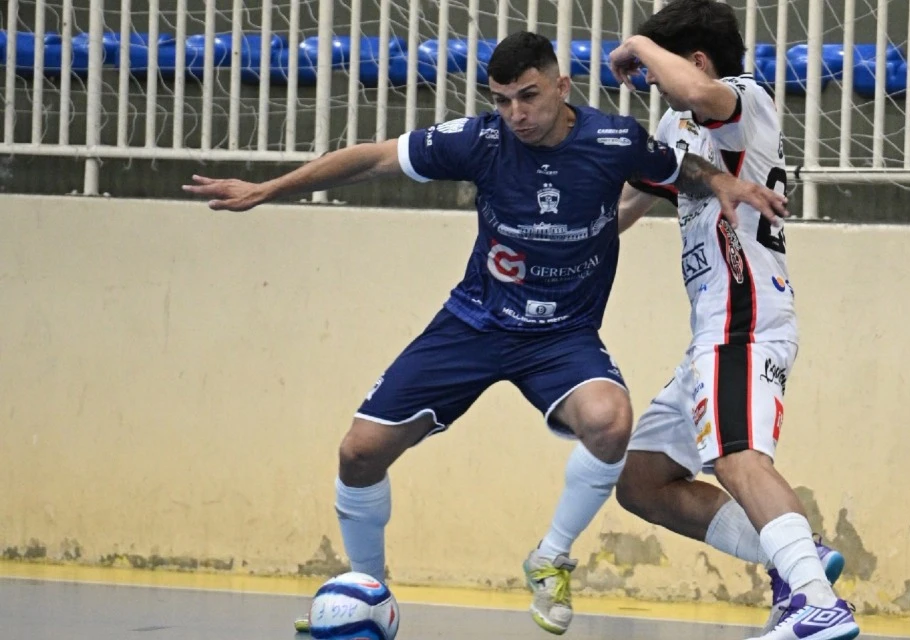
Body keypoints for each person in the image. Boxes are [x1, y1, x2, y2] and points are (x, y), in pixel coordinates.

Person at [182, 31, 788, 637]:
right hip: (475, 322)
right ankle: (368, 590)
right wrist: (268, 189)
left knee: (610, 421)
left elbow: (678, 167)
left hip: (562, 336)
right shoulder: (481, 140)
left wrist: (719, 182)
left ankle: (550, 557)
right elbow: (372, 158)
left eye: (528, 96)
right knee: (358, 453)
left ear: (561, 86)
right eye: (501, 100)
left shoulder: (612, 139)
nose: (515, 113)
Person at [607, 2, 860, 639]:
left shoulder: (743, 100)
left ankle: (816, 602)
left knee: (738, 458)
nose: (655, 86)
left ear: (695, 61)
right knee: (642, 479)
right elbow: (629, 203)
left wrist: (636, 42)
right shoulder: (677, 126)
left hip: (744, 316)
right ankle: (796, 557)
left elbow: (698, 91)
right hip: (711, 331)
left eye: (660, 72)